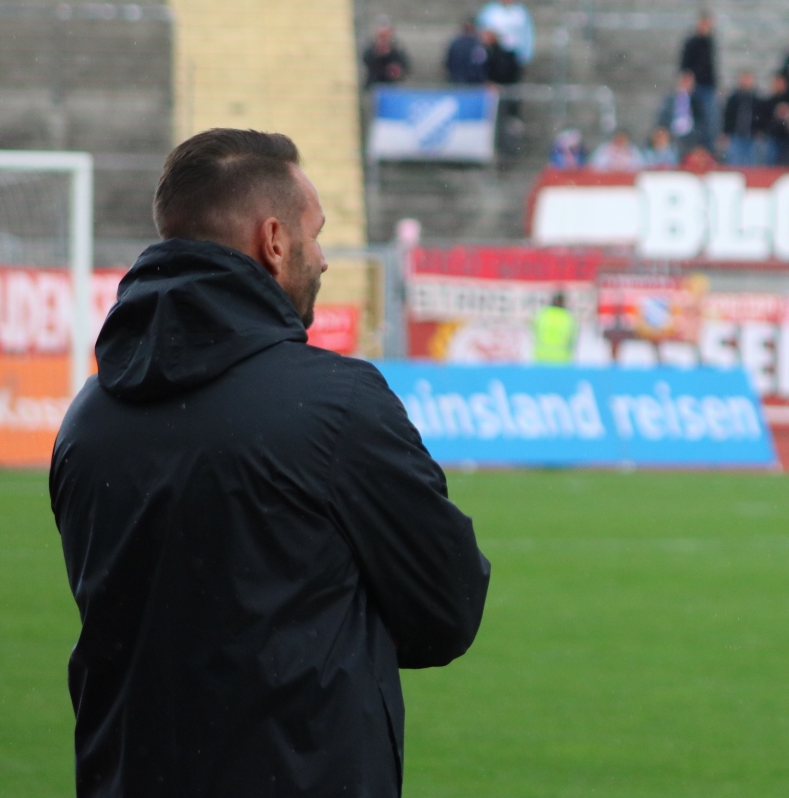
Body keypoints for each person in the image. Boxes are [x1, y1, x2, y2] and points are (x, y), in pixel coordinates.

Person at [50, 128, 489, 797]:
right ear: (274, 241)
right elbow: (448, 607)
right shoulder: (335, 406)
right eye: (315, 234)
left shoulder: (87, 419)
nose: (323, 256)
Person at [476, 0, 534, 65]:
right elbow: (482, 30)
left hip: (514, 52)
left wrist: (526, 54)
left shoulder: (520, 12)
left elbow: (527, 34)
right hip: (495, 52)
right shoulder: (490, 11)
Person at [535, 292, 576, 363]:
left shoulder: (542, 315)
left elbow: (534, 332)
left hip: (541, 358)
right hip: (562, 359)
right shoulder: (568, 317)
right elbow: (573, 340)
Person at [444, 17, 488, 84]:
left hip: (458, 79)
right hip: (472, 81)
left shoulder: (456, 43)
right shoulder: (477, 44)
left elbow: (448, 62)